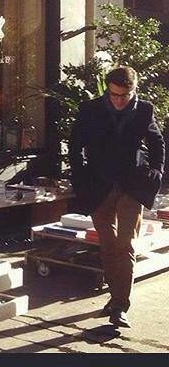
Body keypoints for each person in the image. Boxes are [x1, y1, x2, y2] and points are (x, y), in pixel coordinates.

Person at [69, 65, 165, 329]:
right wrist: (80, 177)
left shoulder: (144, 110)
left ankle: (120, 305)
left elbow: (157, 142)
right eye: (113, 95)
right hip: (98, 186)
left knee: (126, 244)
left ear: (133, 90)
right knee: (108, 245)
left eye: (124, 95)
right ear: (107, 91)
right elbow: (75, 145)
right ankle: (115, 296)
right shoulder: (90, 109)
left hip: (131, 186)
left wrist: (157, 172)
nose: (119, 101)